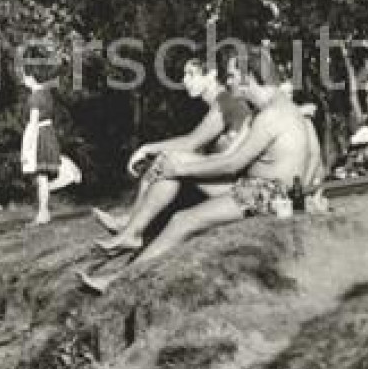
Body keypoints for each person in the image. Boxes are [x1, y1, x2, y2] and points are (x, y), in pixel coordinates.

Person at [78, 50, 312, 295]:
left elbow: (233, 163)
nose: (228, 81)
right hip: (252, 186)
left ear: (248, 76)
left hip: (270, 194)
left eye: (232, 75)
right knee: (172, 162)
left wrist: (186, 167)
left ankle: (120, 281)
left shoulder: (272, 115)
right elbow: (227, 159)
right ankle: (133, 232)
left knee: (184, 219)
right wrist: (179, 164)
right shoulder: (262, 111)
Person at [94, 55, 251, 251]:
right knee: (164, 162)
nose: (184, 80)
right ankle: (130, 225)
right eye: (184, 74)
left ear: (211, 75)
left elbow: (191, 142)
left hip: (232, 181)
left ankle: (131, 228)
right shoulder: (219, 103)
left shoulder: (224, 102)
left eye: (191, 74)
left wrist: (147, 148)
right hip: (223, 175)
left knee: (166, 161)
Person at [21, 62, 80, 226]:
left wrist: (27, 147)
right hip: (48, 131)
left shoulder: (35, 97)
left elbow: (33, 123)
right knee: (43, 177)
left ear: (31, 78)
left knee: (41, 177)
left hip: (39, 134)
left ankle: (43, 214)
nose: (23, 80)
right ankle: (44, 212)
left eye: (24, 77)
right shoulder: (46, 94)